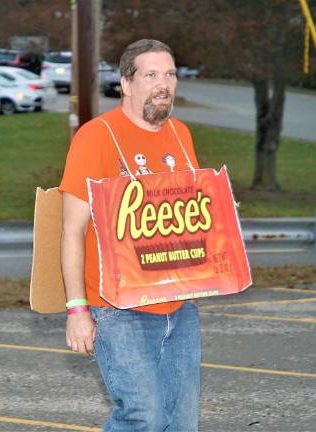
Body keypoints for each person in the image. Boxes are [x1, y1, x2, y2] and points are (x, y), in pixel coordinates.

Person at [59, 39, 202, 431]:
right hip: (118, 308)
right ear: (126, 83)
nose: (163, 84)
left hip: (180, 306)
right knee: (143, 416)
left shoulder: (181, 135)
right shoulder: (97, 136)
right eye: (151, 74)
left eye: (170, 74)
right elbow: (72, 230)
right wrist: (77, 310)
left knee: (182, 422)